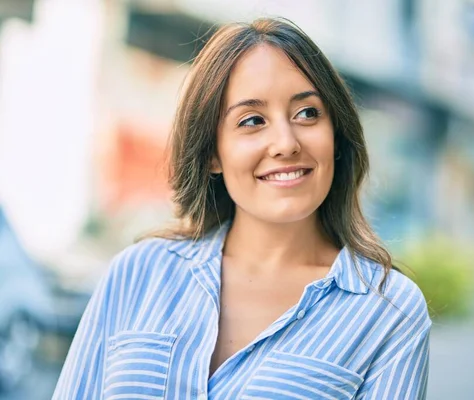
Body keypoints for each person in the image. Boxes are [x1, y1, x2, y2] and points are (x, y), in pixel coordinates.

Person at [52, 17, 431, 400]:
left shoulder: (389, 312)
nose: (285, 143)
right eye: (252, 121)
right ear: (213, 153)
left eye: (307, 113)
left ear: (336, 135)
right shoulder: (138, 273)